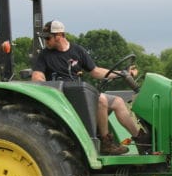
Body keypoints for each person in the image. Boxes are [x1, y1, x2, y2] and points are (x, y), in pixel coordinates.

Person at [31, 20, 144, 155]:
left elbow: (95, 71)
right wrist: (41, 81)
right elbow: (37, 76)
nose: (46, 41)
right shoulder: (45, 55)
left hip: (80, 94)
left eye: (48, 37)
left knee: (118, 102)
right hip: (62, 96)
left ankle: (142, 140)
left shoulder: (77, 51)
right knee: (101, 99)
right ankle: (105, 143)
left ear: (59, 35)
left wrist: (122, 73)